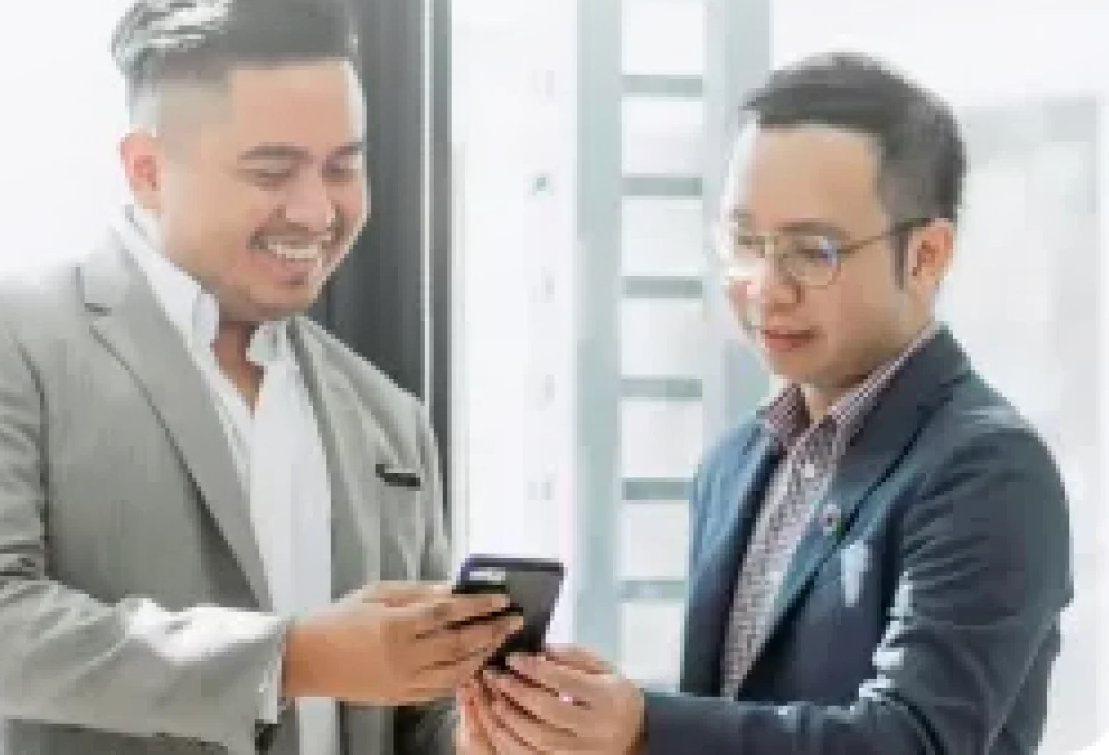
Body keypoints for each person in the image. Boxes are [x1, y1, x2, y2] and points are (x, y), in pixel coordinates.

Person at [0, 0, 518, 755]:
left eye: (344, 166)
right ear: (146, 171)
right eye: (271, 171)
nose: (318, 211)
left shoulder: (388, 415)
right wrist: (297, 657)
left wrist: (489, 735)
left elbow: (406, 720)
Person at [456, 52, 1073, 754]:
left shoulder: (989, 470)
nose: (766, 288)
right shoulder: (735, 463)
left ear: (926, 255)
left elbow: (913, 740)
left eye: (813, 252)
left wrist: (645, 727)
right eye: (746, 243)